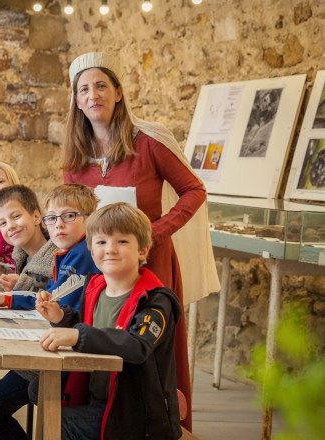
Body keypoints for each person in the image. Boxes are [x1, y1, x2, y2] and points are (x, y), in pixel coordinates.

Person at [61, 51, 220, 429]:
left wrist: (158, 231)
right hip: (99, 270)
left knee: (151, 353)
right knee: (99, 340)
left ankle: (156, 425)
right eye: (83, 89)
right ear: (76, 99)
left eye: (101, 85)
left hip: (151, 264)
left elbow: (194, 190)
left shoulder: (147, 143)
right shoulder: (76, 157)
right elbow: (73, 214)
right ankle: (99, 422)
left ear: (118, 92)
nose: (92, 95)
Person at [36, 203, 182, 439]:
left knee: (55, 421)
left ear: (143, 251)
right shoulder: (95, 288)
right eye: (102, 242)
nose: (111, 249)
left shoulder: (156, 300)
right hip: (96, 399)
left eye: (122, 242)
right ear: (92, 252)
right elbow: (86, 327)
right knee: (37, 391)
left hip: (134, 415)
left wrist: (77, 335)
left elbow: (137, 345)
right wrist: (61, 317)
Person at [0, 184, 101, 440]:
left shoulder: (81, 254)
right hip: (55, 345)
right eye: (53, 218)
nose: (59, 225)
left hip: (67, 358)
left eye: (69, 216)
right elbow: (46, 299)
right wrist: (9, 297)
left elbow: (58, 307)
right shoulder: (67, 253)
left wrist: (11, 298)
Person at [0, 185, 57, 307]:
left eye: (16, 216)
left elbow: (53, 297)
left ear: (36, 217)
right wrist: (0, 279)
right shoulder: (21, 257)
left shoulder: (58, 256)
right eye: (3, 223)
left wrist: (21, 285)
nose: (10, 226)